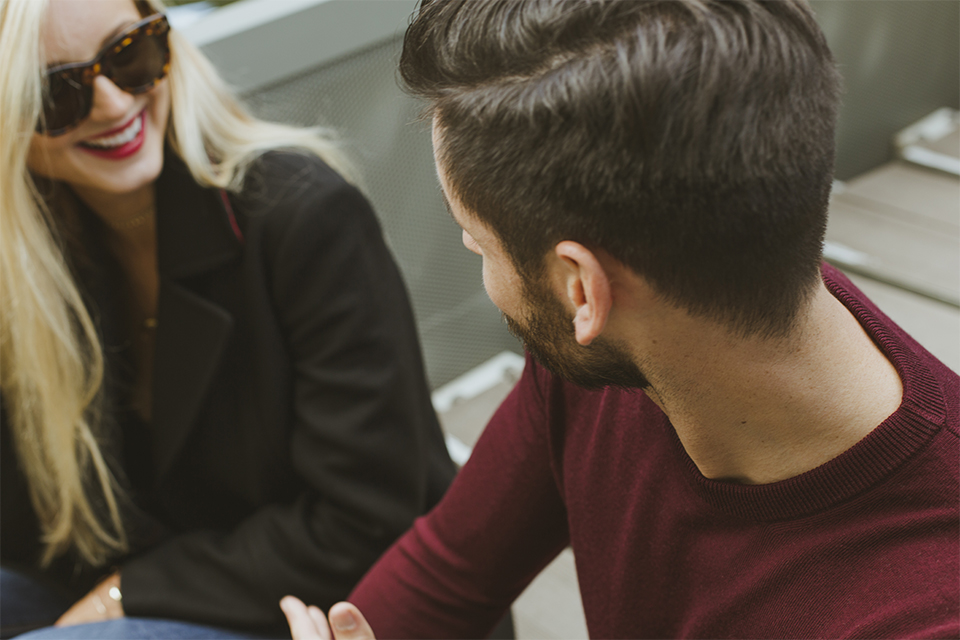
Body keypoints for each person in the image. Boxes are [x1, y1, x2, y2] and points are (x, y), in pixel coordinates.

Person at [280, 0, 960, 638]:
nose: (474, 261)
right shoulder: (610, 359)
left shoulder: (924, 610)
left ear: (582, 291)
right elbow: (449, 565)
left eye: (474, 241)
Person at [0, 0, 457, 637]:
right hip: (167, 565)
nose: (111, 104)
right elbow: (26, 518)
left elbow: (364, 518)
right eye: (57, 93)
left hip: (322, 600)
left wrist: (121, 596)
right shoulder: (32, 261)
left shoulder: (304, 217)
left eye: (130, 54)